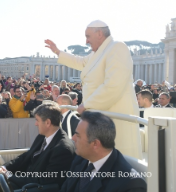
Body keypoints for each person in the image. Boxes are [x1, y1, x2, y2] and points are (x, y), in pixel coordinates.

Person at [45, 20, 141, 159]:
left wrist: (87, 105)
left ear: (100, 34)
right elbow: (79, 62)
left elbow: (113, 86)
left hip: (115, 117)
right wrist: (57, 51)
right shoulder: (95, 54)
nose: (86, 41)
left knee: (119, 162)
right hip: (101, 117)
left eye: (88, 36)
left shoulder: (117, 48)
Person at [0, 102, 76, 192]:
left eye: (37, 120)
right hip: (24, 178)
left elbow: (46, 180)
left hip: (31, 187)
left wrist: (8, 175)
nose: (35, 124)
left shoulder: (63, 149)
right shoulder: (43, 136)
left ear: (47, 123)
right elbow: (26, 156)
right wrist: (4, 168)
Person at [60, 111, 147, 192]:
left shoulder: (131, 184)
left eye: (78, 136)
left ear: (95, 144)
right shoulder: (80, 159)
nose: (73, 138)